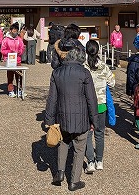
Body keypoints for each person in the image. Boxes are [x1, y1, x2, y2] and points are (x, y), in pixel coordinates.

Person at [45, 44, 98, 191]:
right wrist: (95, 120)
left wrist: (49, 120)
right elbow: (91, 99)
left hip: (62, 116)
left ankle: (60, 172)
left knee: (63, 142)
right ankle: (74, 181)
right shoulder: (84, 72)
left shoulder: (57, 73)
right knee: (79, 149)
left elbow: (52, 99)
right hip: (82, 118)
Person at [83, 39, 115, 173]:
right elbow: (112, 83)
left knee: (87, 134)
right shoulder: (104, 66)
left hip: (86, 104)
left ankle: (90, 161)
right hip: (101, 104)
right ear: (98, 51)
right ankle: (99, 160)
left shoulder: (83, 67)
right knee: (99, 133)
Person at [0, 22, 25, 97]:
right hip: (9, 61)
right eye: (13, 30)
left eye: (16, 31)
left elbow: (22, 48)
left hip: (18, 60)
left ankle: (20, 90)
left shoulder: (19, 39)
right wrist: (10, 52)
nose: (15, 32)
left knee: (19, 76)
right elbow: (2, 50)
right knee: (10, 76)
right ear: (10, 30)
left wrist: (19, 52)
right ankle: (11, 90)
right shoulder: (6, 40)